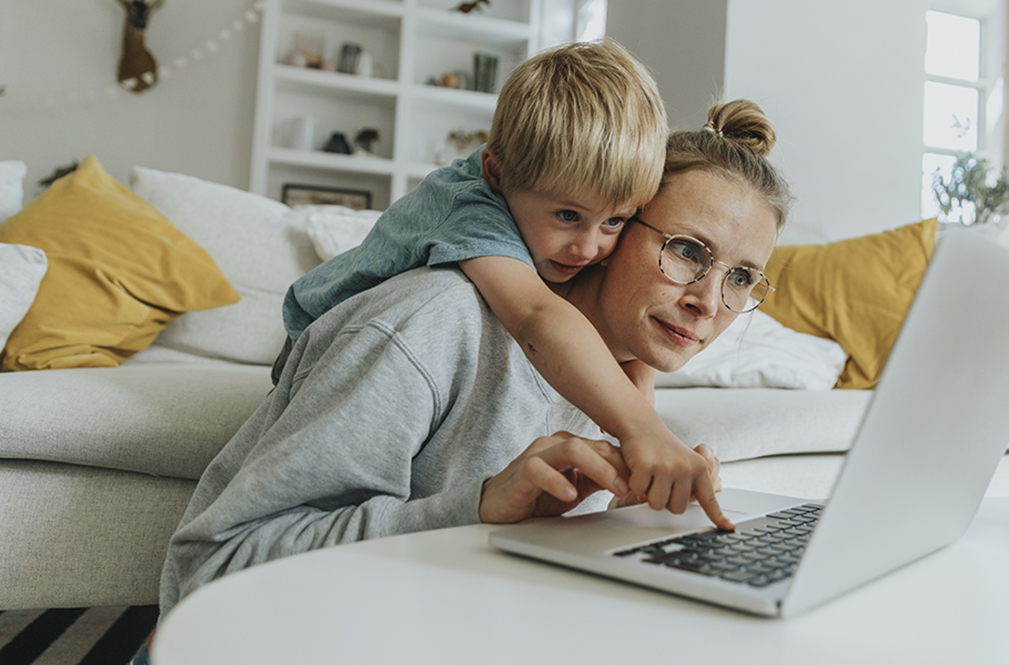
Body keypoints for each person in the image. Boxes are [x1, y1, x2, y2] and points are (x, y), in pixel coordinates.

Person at [156, 100, 790, 644]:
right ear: (616, 221)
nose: (708, 302)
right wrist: (481, 506)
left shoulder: (622, 371)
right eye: (687, 251)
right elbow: (214, 570)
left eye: (740, 278)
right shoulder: (430, 325)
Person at [276, 39, 720, 523]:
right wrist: (643, 430)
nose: (589, 248)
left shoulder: (562, 217)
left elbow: (628, 346)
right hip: (318, 344)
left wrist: (644, 436)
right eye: (568, 215)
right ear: (496, 173)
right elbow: (535, 316)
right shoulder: (473, 207)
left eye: (615, 221)